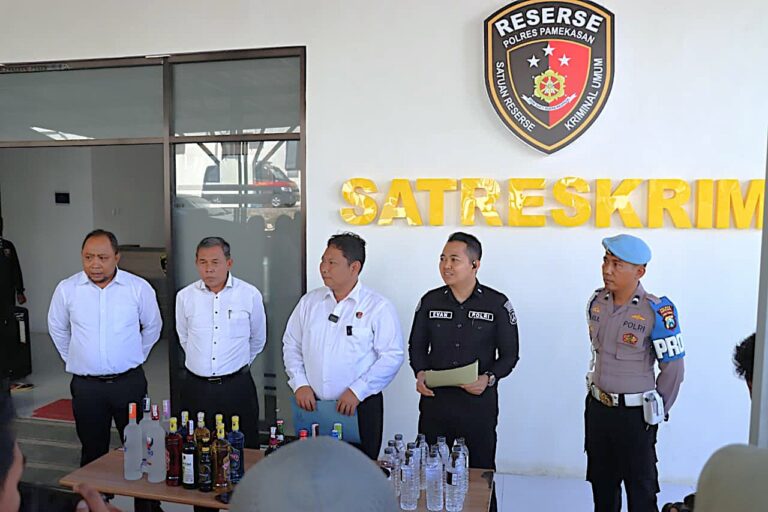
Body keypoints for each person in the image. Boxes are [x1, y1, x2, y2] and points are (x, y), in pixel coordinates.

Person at [585, 234, 685, 512]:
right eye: (605, 261)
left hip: (635, 417)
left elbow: (674, 369)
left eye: (617, 264)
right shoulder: (597, 302)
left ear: (639, 272)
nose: (607, 269)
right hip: (598, 410)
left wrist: (655, 411)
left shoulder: (657, 311)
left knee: (641, 492)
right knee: (602, 488)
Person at [283, 232, 404, 460]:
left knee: (359, 473)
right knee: (315, 470)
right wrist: (300, 383)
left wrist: (358, 390)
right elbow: (291, 344)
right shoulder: (310, 302)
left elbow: (392, 356)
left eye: (332, 262)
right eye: (323, 261)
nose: (324, 268)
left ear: (354, 267)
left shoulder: (377, 307)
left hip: (358, 407)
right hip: (314, 407)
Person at [47, 229, 162, 467]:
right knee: (92, 450)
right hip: (87, 387)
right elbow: (57, 328)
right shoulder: (67, 289)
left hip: (128, 383)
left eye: (103, 257)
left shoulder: (137, 287)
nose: (95, 264)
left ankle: (141, 492)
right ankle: (94, 491)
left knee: (138, 450)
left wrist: (135, 356)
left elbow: (153, 326)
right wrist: (76, 358)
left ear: (117, 257)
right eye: (88, 257)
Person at [408, 231, 519, 471]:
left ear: (474, 265)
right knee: (431, 472)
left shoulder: (496, 304)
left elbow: (510, 355)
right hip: (435, 402)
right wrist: (419, 372)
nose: (446, 265)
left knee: (479, 473)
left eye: (454, 260)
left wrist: (488, 379)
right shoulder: (430, 301)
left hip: (477, 405)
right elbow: (416, 346)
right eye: (442, 259)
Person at [175, 236, 266, 446]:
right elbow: (184, 337)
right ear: (196, 263)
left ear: (229, 263)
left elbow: (258, 339)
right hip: (196, 388)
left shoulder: (249, 294)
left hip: (236, 386)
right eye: (203, 262)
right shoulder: (185, 297)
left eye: (215, 262)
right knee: (198, 447)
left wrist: (234, 365)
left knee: (243, 446)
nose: (209, 269)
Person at [0, 216, 26, 396]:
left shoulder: (7, 247)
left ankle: (10, 369)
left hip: (6, 296)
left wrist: (20, 290)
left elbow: (16, 269)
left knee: (9, 331)